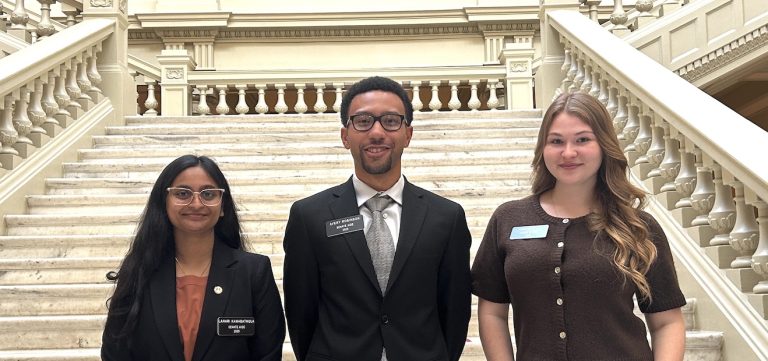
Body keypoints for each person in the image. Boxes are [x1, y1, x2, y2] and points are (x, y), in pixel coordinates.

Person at [471, 92, 686, 361]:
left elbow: (667, 323)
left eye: (582, 140)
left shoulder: (638, 227)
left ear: (604, 145)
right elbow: (492, 312)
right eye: (556, 141)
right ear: (543, 148)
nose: (568, 152)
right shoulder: (509, 218)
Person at [282, 76, 472, 361]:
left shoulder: (446, 217)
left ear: (408, 134)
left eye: (391, 121)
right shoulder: (309, 217)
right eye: (363, 121)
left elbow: (454, 312)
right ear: (345, 135)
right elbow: (301, 313)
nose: (377, 132)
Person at [101, 154, 285, 361]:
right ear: (164, 202)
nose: (196, 203)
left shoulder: (253, 272)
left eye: (208, 194)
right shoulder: (140, 269)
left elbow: (267, 354)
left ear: (222, 205)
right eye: (182, 193)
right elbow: (115, 352)